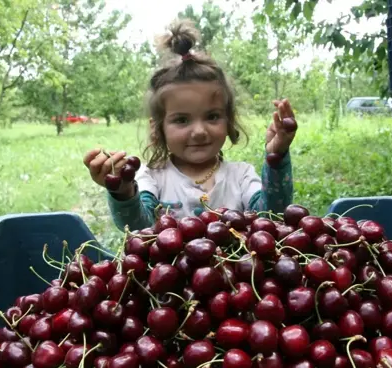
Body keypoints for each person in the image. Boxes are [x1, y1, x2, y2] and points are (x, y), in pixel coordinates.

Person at [83, 19, 298, 232]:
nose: (199, 131)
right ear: (158, 129)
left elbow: (271, 216)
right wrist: (122, 190)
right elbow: (139, 226)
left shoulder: (240, 177)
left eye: (212, 116)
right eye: (182, 120)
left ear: (228, 121)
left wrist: (276, 157)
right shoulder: (153, 179)